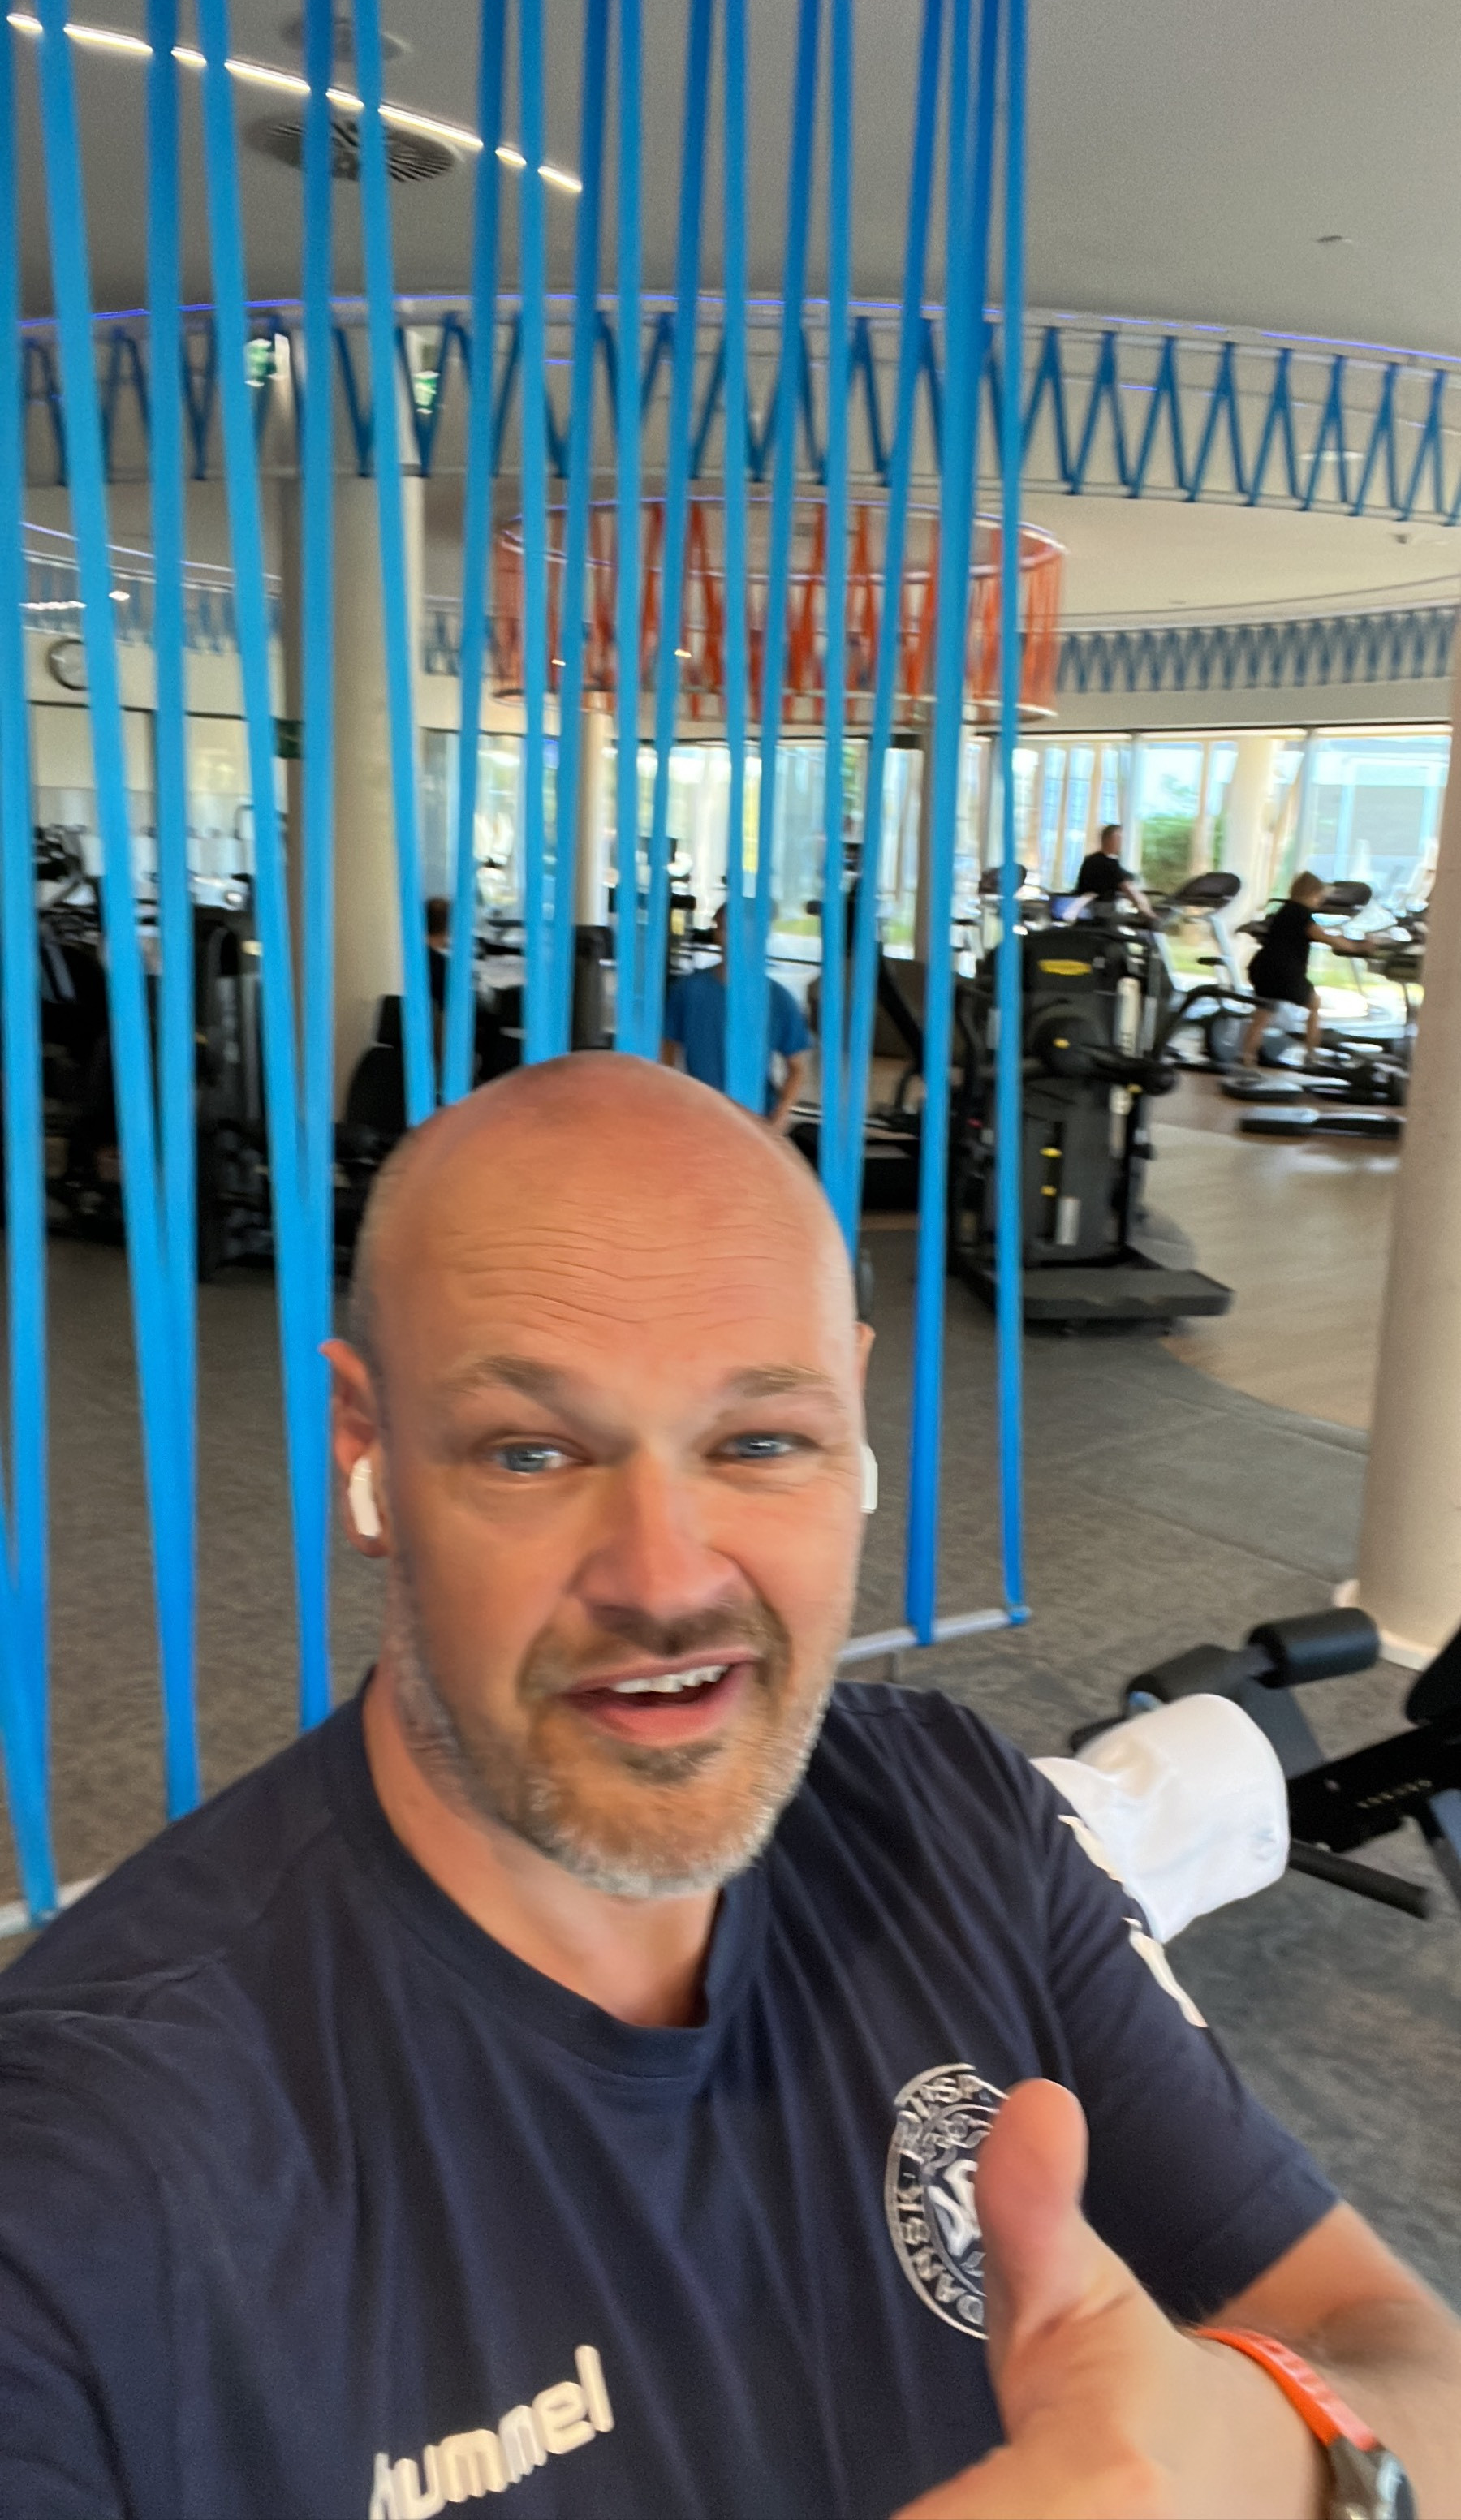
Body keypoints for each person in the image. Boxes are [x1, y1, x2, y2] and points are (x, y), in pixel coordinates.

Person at [1, 1058, 1458, 2520]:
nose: (666, 1578)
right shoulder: (86, 2172)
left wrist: (1295, 2458)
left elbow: (1404, 2351)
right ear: (366, 1447)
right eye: (532, 1451)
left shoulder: (952, 1810)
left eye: (761, 1441)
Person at [661, 900, 811, 1129]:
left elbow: (797, 1067)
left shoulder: (778, 999)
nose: (732, 938)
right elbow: (666, 1051)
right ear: (716, 932)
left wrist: (778, 1120)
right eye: (725, 929)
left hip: (756, 1118)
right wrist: (675, 1101)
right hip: (702, 1114)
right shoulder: (688, 991)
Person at [1240, 870, 1375, 1070]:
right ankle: (1311, 1055)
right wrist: (1360, 947)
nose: (1320, 901)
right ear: (1312, 894)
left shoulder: (1284, 911)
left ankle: (1246, 1060)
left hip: (1262, 969)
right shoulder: (1302, 915)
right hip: (1284, 974)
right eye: (1319, 897)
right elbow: (1326, 938)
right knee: (1314, 1003)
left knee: (1262, 1014)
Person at [1074, 821, 1157, 921]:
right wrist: (1150, 915)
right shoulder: (1108, 863)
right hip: (1099, 914)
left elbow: (1124, 880)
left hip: (1087, 912)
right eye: (1119, 839)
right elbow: (1130, 891)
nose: (1121, 843)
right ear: (1109, 840)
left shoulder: (1091, 860)